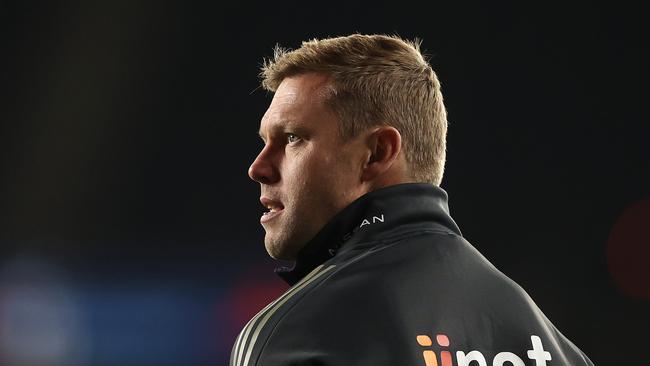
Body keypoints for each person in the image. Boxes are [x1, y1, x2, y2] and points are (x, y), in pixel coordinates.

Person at [231, 34, 593, 366]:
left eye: (292, 138)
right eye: (265, 142)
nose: (258, 167)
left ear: (376, 153)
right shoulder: (560, 352)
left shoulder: (297, 334)